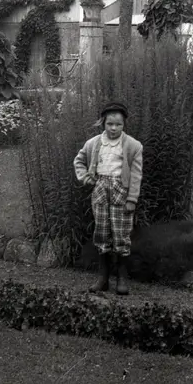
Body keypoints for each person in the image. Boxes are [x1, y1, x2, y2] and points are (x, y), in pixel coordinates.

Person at [73, 101, 143, 295]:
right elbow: (79, 160)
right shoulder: (94, 143)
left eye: (118, 124)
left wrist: (132, 199)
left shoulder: (133, 146)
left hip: (121, 191)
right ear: (103, 122)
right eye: (110, 124)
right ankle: (102, 278)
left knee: (121, 233)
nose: (113, 128)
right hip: (100, 189)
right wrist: (86, 177)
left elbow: (136, 175)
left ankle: (121, 278)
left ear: (124, 124)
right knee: (102, 232)